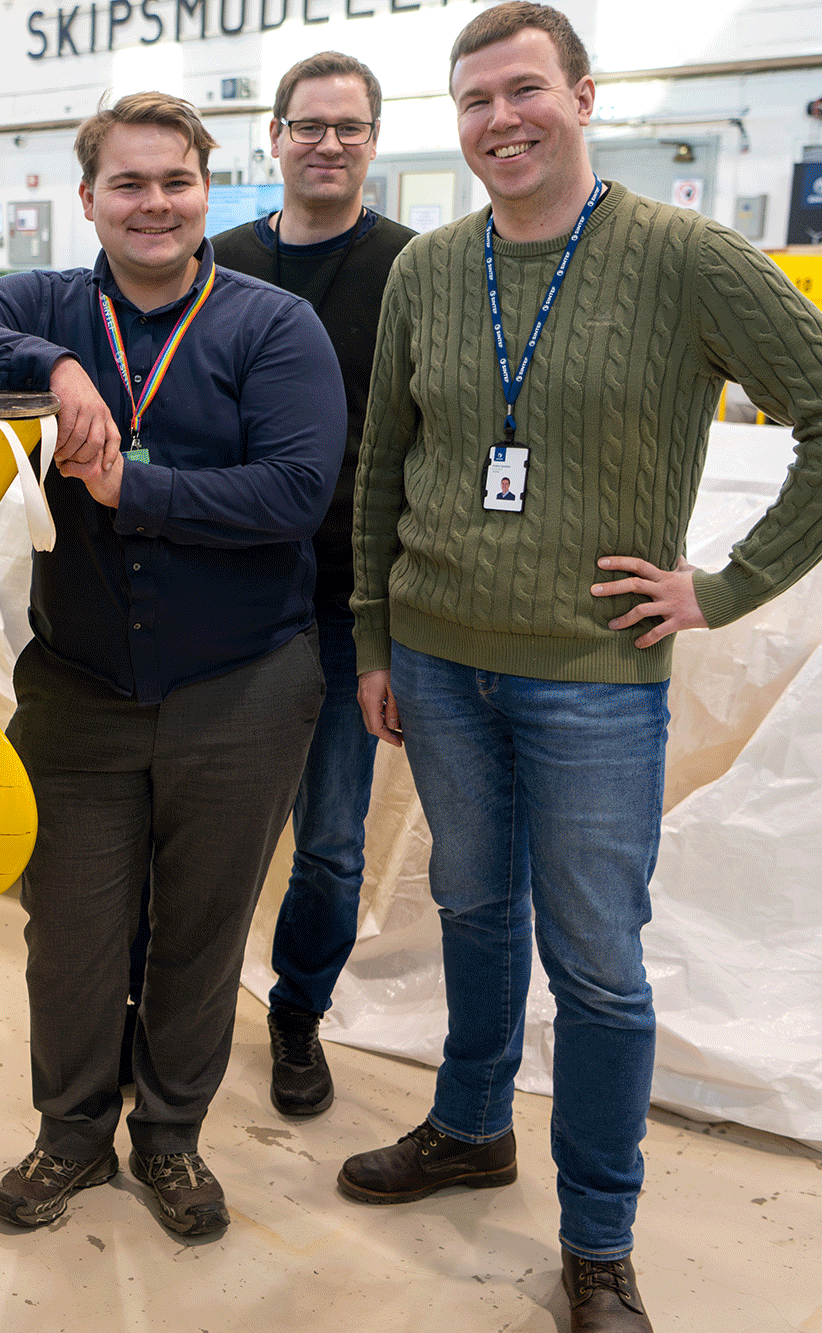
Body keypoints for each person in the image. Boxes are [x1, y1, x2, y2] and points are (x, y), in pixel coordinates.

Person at [343, 5, 822, 1329]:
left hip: (594, 681)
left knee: (600, 964)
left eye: (524, 90)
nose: (501, 118)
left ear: (583, 96)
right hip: (439, 663)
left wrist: (726, 585)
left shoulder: (685, 260)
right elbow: (385, 462)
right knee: (473, 909)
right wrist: (376, 639)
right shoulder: (427, 269)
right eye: (475, 99)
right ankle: (468, 1126)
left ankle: (598, 1242)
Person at [0, 92, 343, 1236]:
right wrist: (49, 365)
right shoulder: (42, 304)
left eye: (173, 182)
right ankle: (71, 1136)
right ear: (86, 200)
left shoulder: (270, 326)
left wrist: (136, 488)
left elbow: (293, 492)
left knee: (199, 929)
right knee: (72, 932)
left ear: (205, 191)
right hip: (78, 687)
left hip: (240, 685)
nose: (152, 204)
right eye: (127, 184)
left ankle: (170, 1140)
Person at [207, 51, 416, 1119]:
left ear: (370, 140)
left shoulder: (411, 269)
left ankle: (296, 1013)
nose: (325, 142)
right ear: (275, 138)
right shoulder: (218, 261)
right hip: (226, 601)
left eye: (346, 125)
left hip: (343, 607)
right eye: (307, 124)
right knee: (205, 829)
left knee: (330, 845)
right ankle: (177, 1010)